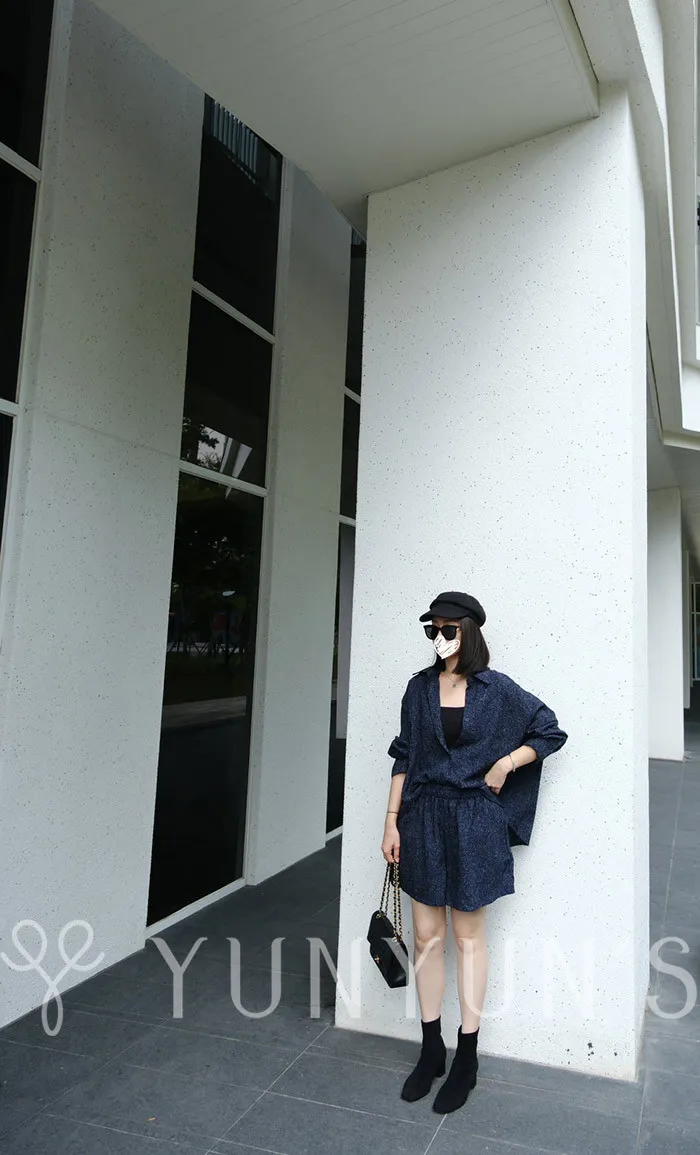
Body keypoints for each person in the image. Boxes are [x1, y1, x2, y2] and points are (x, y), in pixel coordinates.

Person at [381, 591, 567, 1115]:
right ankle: (431, 1049)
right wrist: (391, 820)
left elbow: (550, 730)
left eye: (449, 629)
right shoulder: (418, 689)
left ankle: (467, 1056)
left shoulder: (497, 689)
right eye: (432, 630)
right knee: (426, 937)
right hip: (422, 818)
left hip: (475, 822)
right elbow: (404, 754)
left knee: (467, 938)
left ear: (470, 632)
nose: (439, 638)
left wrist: (507, 763)